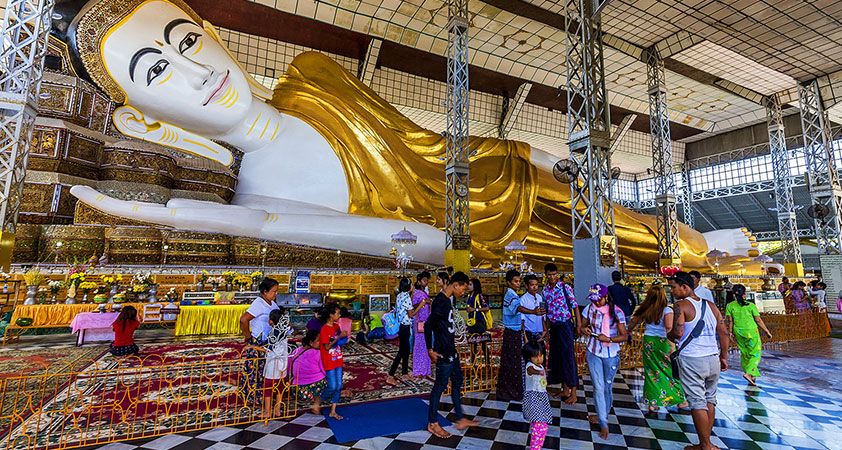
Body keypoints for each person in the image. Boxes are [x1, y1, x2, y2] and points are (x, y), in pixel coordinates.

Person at [668, 271, 729, 450]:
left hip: (693, 360)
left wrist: (669, 335)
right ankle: (706, 442)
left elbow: (677, 333)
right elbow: (724, 333)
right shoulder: (711, 305)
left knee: (696, 402)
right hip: (712, 358)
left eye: (673, 287)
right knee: (710, 400)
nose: (671, 291)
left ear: (685, 287)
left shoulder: (680, 305)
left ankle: (705, 445)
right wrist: (723, 356)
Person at [425, 271, 479, 438]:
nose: (463, 292)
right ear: (455, 285)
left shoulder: (447, 301)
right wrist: (430, 350)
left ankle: (461, 419)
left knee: (457, 382)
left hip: (451, 350)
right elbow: (428, 326)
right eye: (462, 289)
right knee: (439, 388)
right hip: (443, 353)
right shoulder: (441, 301)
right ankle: (433, 423)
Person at [578, 283, 628, 440]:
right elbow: (582, 327)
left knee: (606, 387)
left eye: (599, 300)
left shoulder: (617, 313)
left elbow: (625, 336)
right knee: (598, 388)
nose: (596, 303)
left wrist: (609, 339)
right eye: (594, 300)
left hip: (611, 354)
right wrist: (584, 329)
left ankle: (602, 414)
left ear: (606, 297)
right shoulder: (589, 309)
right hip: (593, 351)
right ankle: (603, 422)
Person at [628, 284, 687, 412]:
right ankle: (680, 400)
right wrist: (672, 346)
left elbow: (633, 322)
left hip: (649, 342)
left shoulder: (645, 309)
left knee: (651, 372)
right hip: (663, 342)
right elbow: (669, 328)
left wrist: (625, 333)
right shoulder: (667, 310)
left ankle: (653, 403)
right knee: (671, 370)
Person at [239, 277, 281, 405]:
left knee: (266, 370)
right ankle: (253, 397)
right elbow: (243, 319)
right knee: (256, 370)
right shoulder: (259, 303)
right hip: (258, 341)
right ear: (265, 291)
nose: (276, 293)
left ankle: (265, 395)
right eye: (274, 291)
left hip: (268, 341)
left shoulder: (272, 304)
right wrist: (247, 335)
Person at [542, 263, 579, 404]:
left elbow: (575, 307)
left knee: (569, 357)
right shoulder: (545, 291)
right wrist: (546, 330)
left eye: (554, 274)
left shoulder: (565, 287)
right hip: (554, 326)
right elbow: (545, 312)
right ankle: (565, 389)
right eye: (549, 274)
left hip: (566, 325)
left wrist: (579, 325)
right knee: (558, 357)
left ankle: (574, 392)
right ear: (545, 275)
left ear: (557, 274)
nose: (552, 277)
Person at [725, 284, 772, 386]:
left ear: (733, 295)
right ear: (745, 294)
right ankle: (748, 373)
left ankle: (752, 374)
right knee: (755, 353)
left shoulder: (730, 306)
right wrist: (767, 331)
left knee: (745, 353)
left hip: (739, 332)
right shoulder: (750, 306)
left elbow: (730, 321)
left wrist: (730, 333)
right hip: (751, 332)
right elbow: (758, 320)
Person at [247, 308, 291, 418]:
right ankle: (277, 410)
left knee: (268, 388)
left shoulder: (274, 332)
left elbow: (268, 348)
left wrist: (253, 347)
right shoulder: (283, 331)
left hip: (273, 364)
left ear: (271, 321)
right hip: (283, 363)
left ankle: (267, 411)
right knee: (279, 387)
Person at [497, 270, 523, 402]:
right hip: (512, 333)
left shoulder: (514, 295)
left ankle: (510, 391)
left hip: (515, 332)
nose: (518, 284)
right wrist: (534, 312)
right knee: (513, 362)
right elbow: (518, 309)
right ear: (509, 282)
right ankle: (512, 392)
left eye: (519, 281)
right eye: (516, 281)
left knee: (513, 361)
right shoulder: (510, 295)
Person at [522, 340, 552, 450]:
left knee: (539, 424)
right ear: (529, 358)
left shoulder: (541, 367)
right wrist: (539, 372)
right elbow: (531, 370)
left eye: (541, 355)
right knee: (540, 425)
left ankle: (536, 447)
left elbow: (542, 382)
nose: (539, 359)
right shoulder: (530, 366)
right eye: (535, 357)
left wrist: (545, 389)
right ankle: (535, 448)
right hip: (533, 399)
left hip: (541, 398)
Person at [289, 329, 327, 414]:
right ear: (311, 343)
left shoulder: (296, 351)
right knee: (331, 380)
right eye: (318, 341)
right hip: (315, 388)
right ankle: (317, 402)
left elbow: (289, 368)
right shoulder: (318, 353)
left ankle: (312, 397)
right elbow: (325, 371)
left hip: (298, 391)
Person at [320, 303, 347, 420]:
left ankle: (333, 410)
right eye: (337, 313)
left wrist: (343, 337)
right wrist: (337, 337)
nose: (339, 315)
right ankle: (320, 399)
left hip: (338, 359)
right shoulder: (324, 329)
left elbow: (340, 341)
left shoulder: (336, 327)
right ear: (331, 315)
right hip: (329, 361)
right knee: (332, 386)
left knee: (339, 386)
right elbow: (326, 347)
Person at [386, 277, 415, 385]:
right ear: (409, 286)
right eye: (411, 284)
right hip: (404, 326)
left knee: (406, 349)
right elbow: (411, 314)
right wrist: (421, 305)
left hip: (402, 326)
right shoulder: (406, 297)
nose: (413, 286)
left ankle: (404, 373)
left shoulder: (399, 295)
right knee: (402, 351)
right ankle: (391, 375)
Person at [467, 278, 491, 366]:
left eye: (470, 285)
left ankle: (487, 361)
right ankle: (473, 362)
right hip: (472, 322)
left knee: (483, 342)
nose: (468, 287)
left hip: (479, 322)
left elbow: (487, 308)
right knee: (473, 342)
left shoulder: (479, 296)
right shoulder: (469, 296)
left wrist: (475, 309)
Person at [412, 276, 433, 377]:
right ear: (419, 282)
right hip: (420, 321)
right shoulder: (416, 293)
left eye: (427, 280)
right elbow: (414, 306)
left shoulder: (424, 293)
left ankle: (425, 369)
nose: (426, 282)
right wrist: (423, 302)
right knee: (419, 346)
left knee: (426, 345)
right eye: (424, 281)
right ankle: (419, 370)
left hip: (426, 321)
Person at [520, 275, 547, 343]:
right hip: (529, 333)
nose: (535, 287)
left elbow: (542, 316)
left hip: (540, 333)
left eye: (536, 285)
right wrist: (525, 337)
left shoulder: (539, 298)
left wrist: (545, 331)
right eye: (532, 285)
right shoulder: (522, 300)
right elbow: (522, 320)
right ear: (526, 286)